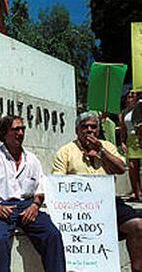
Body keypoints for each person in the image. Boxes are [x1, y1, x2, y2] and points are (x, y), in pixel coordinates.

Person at [52, 111, 142, 272]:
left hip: (107, 204)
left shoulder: (106, 147)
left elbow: (121, 168)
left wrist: (101, 152)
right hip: (78, 208)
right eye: (84, 127)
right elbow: (58, 183)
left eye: (93, 127)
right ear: (77, 130)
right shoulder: (65, 151)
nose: (89, 130)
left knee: (137, 225)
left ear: (98, 130)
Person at [0, 115, 66, 272]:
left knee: (53, 235)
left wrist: (35, 206)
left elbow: (41, 188)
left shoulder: (32, 159)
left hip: (27, 205)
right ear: (4, 133)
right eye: (15, 129)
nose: (20, 133)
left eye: (22, 129)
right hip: (1, 207)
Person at [119, 90, 142, 201]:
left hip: (140, 137)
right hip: (131, 140)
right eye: (130, 94)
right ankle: (137, 193)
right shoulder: (124, 112)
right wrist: (122, 142)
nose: (132, 95)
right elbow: (123, 129)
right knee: (133, 167)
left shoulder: (141, 106)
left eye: (134, 94)